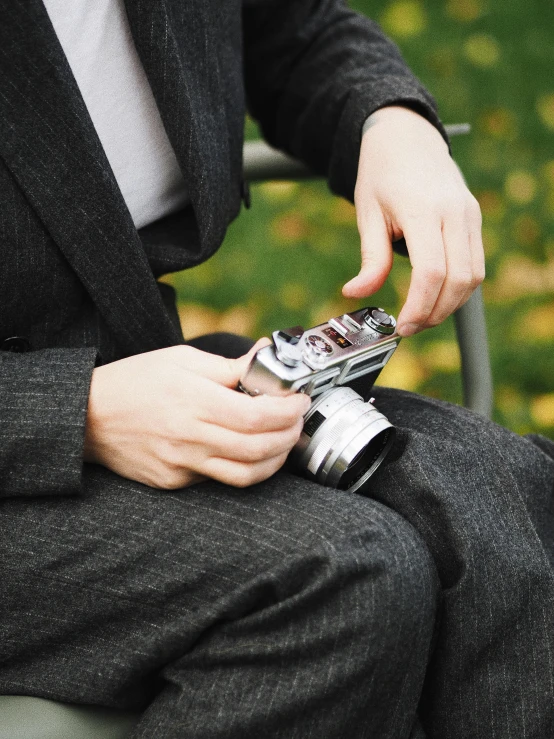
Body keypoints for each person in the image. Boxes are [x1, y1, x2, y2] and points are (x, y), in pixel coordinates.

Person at [0, 0, 553, 737]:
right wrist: (78, 411)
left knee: (502, 495)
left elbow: (289, 29)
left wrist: (388, 119)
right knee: (347, 579)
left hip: (151, 366)